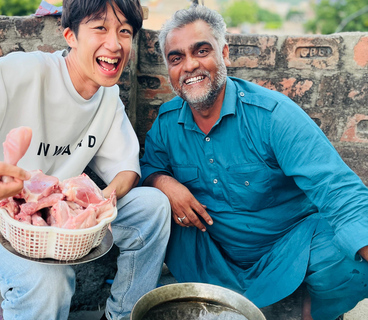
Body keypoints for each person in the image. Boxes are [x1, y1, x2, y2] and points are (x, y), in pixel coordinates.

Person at [0, 1, 171, 319]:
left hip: (50, 214)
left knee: (153, 206)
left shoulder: (107, 98)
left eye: (124, 31)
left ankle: (121, 314)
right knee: (48, 279)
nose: (114, 43)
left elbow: (125, 169)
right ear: (71, 35)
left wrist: (96, 204)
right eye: (100, 28)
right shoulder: (25, 73)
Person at [139, 5, 368, 320]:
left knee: (351, 258)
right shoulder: (166, 124)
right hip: (211, 257)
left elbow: (337, 189)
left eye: (201, 51)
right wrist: (163, 182)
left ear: (225, 54)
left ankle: (308, 313)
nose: (190, 65)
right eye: (176, 58)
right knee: (149, 203)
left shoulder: (273, 115)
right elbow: (148, 168)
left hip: (288, 252)